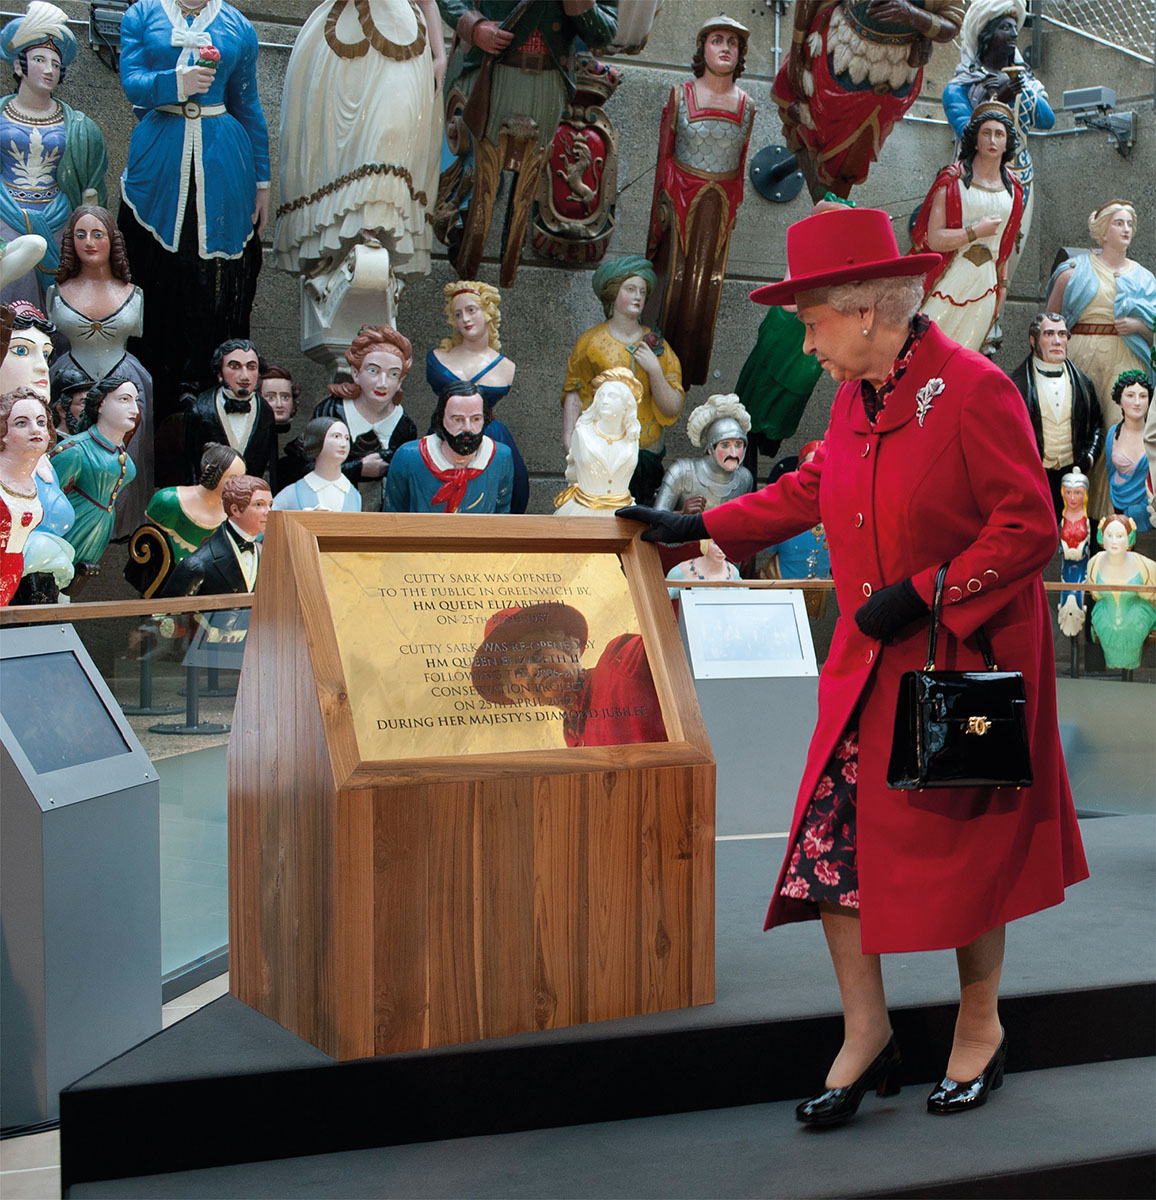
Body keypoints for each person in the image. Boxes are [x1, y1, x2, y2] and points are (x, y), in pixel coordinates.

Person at [619, 205, 1087, 1124]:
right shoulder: (854, 392)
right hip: (869, 666)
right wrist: (702, 524)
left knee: (968, 844)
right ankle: (866, 1031)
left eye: (810, 322)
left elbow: (1030, 524)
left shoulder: (975, 388)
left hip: (961, 664)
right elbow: (811, 483)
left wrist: (930, 591)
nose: (805, 342)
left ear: (867, 310)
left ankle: (980, 1027)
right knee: (827, 849)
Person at [116, 0, 270, 429]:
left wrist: (263, 182)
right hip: (158, 162)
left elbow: (249, 105)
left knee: (212, 285)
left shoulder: (238, 25)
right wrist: (175, 82)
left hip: (225, 165)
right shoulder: (142, 14)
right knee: (155, 274)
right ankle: (152, 400)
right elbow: (132, 83)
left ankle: (210, 399)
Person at [433, 0, 618, 285]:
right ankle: (460, 230)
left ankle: (508, 258)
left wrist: (581, 6)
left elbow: (603, 33)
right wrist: (476, 26)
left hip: (547, 81)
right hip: (489, 71)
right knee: (473, 178)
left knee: (526, 185)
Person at [272, 0, 445, 283]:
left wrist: (440, 54)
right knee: (339, 148)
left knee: (393, 130)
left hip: (405, 36)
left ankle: (376, 226)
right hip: (345, 37)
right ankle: (342, 242)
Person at [646, 16, 754, 386]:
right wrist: (661, 210)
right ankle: (659, 357)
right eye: (717, 40)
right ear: (702, 47)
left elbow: (739, 167)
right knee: (674, 279)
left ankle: (689, 368)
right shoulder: (681, 95)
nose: (725, 48)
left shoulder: (748, 106)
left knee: (708, 284)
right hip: (680, 198)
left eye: (733, 43)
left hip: (719, 204)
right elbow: (665, 155)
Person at [771, 0, 963, 201]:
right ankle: (827, 202)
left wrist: (913, 15)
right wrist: (797, 46)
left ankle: (831, 206)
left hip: (895, 69)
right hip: (840, 49)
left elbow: (951, 23)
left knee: (852, 162)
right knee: (819, 131)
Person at [46, 205, 153, 535]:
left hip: (122, 376)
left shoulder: (134, 295)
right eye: (80, 235)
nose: (89, 242)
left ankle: (119, 521)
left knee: (124, 450)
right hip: (69, 377)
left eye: (98, 234)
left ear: (112, 240)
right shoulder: (55, 293)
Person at [1046, 201, 1156, 517]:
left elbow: (1154, 329)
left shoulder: (1145, 279)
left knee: (1123, 439)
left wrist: (1139, 327)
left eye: (1129, 224)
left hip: (1127, 361)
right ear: (1103, 230)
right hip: (1082, 359)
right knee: (1077, 438)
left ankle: (1116, 523)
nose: (1125, 229)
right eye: (1118, 223)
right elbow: (1051, 322)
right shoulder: (1073, 273)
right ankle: (1074, 520)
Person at [941, 1, 1053, 296]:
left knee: (1009, 254)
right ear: (987, 36)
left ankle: (994, 323)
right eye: (1005, 27)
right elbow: (966, 130)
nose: (1014, 34)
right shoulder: (961, 87)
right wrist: (997, 96)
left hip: (1020, 178)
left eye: (1016, 28)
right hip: (972, 180)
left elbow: (1046, 119)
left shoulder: (1025, 83)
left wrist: (1019, 84)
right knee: (969, 254)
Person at [0, 2, 108, 307]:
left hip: (59, 217)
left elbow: (93, 186)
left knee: (61, 301)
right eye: (39, 59)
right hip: (5, 216)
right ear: (19, 66)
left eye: (55, 64)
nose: (49, 70)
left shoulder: (80, 127)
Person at [561, 255, 683, 505]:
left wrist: (654, 371)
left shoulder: (659, 346)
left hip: (645, 451)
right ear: (613, 293)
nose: (638, 296)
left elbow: (672, 406)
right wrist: (569, 440)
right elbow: (574, 392)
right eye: (630, 289)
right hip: (600, 448)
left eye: (642, 291)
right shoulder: (590, 343)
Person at [469, 602, 666, 748]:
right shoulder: (572, 739)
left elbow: (675, 629)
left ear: (566, 647)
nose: (533, 669)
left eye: (537, 653)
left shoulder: (620, 659)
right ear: (521, 694)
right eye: (519, 672)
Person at [912, 102, 1023, 354]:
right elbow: (935, 238)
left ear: (1007, 143)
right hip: (949, 277)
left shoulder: (1014, 190)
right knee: (927, 348)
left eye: (999, 134)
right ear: (975, 139)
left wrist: (1002, 289)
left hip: (985, 284)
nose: (992, 140)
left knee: (965, 355)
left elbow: (1004, 249)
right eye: (986, 133)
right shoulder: (952, 181)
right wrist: (975, 231)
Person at [426, 280, 527, 512]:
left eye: (471, 310)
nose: (465, 319)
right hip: (445, 434)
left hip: (490, 434)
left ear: (488, 312)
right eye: (458, 314)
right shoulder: (437, 359)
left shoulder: (505, 367)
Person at [1008, 312, 1102, 518]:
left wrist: (1089, 457)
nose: (1057, 341)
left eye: (1062, 334)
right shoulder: (1015, 387)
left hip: (1072, 475)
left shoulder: (1084, 384)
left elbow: (1096, 425)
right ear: (1033, 341)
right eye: (1049, 334)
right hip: (1034, 476)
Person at [312, 325, 417, 508]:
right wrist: (358, 468)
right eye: (373, 371)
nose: (382, 383)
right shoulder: (330, 413)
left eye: (393, 374)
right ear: (355, 373)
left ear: (400, 381)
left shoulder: (404, 425)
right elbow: (305, 471)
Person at [49, 373, 140, 566]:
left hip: (95, 537)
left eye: (136, 401)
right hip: (69, 534)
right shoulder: (75, 451)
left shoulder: (123, 458)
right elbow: (47, 501)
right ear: (100, 405)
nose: (134, 409)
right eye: (124, 399)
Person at [385, 381, 512, 514]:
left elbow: (502, 514)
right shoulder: (408, 457)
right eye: (458, 419)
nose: (467, 428)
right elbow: (394, 515)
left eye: (476, 419)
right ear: (441, 419)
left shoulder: (501, 458)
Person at [183, 339, 275, 488]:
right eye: (235, 366)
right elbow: (189, 464)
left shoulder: (266, 413)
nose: (244, 376)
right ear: (220, 373)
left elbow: (270, 464)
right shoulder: (200, 410)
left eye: (251, 367)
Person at [159, 473, 270, 597]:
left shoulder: (266, 556)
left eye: (270, 505)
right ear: (235, 510)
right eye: (259, 505)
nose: (268, 512)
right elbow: (169, 613)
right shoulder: (196, 565)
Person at [554, 368, 641, 516]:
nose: (605, 401)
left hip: (622, 512)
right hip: (583, 511)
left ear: (627, 404)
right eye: (602, 396)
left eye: (612, 396)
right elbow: (572, 473)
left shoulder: (632, 437)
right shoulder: (582, 433)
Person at [144, 441, 243, 565]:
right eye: (232, 478)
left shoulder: (233, 514)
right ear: (210, 470)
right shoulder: (168, 500)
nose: (238, 485)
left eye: (241, 479)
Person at [654, 393, 754, 514]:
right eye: (725, 445)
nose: (733, 453)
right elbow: (656, 518)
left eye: (738, 444)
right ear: (710, 448)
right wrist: (682, 514)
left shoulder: (745, 478)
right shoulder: (682, 472)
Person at [0, 386, 53, 603]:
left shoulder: (35, 481)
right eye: (21, 423)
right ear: (3, 433)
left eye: (41, 423)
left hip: (11, 575)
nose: (36, 430)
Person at [1086, 513, 1156, 670]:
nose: (1114, 541)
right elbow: (1095, 594)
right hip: (1104, 614)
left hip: (1138, 615)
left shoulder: (1145, 565)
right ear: (1101, 537)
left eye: (1119, 536)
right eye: (1109, 535)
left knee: (1130, 627)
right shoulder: (1094, 563)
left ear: (1129, 539)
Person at [272, 417, 361, 513]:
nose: (344, 444)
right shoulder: (292, 493)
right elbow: (268, 521)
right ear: (317, 440)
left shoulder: (354, 495)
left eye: (347, 438)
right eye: (336, 436)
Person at [1104, 371, 1153, 532]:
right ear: (1119, 400)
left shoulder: (1153, 437)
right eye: (1130, 395)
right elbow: (1111, 470)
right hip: (1120, 507)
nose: (1137, 402)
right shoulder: (1113, 435)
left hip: (1150, 509)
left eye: (1143, 396)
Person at [1056, 469, 1090, 638]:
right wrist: (1066, 548)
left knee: (1077, 594)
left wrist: (1080, 548)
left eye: (1077, 493)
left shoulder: (1085, 519)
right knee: (1065, 593)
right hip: (1067, 566)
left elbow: (1086, 543)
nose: (1073, 498)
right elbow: (1061, 544)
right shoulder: (1063, 519)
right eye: (1068, 493)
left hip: (1081, 566)